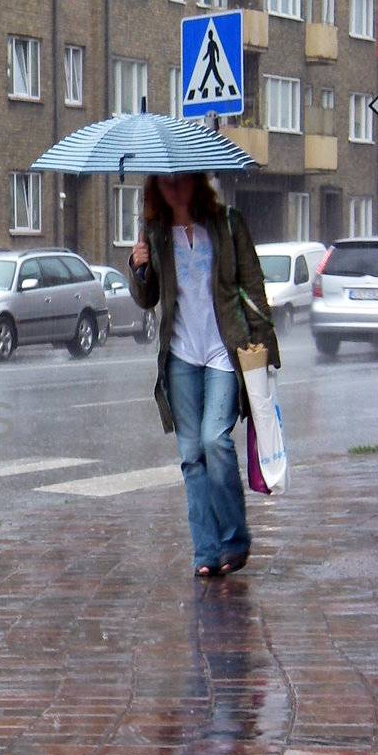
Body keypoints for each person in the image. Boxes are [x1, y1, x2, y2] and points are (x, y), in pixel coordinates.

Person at [129, 173, 278, 580]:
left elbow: (253, 284)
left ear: (196, 182)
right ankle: (207, 552)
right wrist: (137, 267)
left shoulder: (228, 223)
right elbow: (148, 298)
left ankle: (234, 539)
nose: (174, 189)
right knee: (191, 456)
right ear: (156, 190)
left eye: (181, 181)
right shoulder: (155, 233)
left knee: (216, 441)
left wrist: (265, 348)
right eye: (165, 183)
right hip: (179, 355)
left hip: (222, 351)